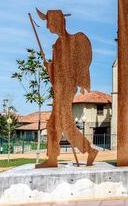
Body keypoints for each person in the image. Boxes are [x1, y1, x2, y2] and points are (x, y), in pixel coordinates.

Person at [35, 9, 98, 168]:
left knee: (65, 126)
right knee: (54, 125)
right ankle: (55, 158)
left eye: (50, 24)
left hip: (65, 90)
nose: (49, 28)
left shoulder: (66, 43)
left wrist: (53, 69)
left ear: (57, 22)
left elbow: (66, 70)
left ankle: (86, 151)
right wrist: (49, 66)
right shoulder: (58, 44)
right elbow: (58, 71)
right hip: (60, 89)